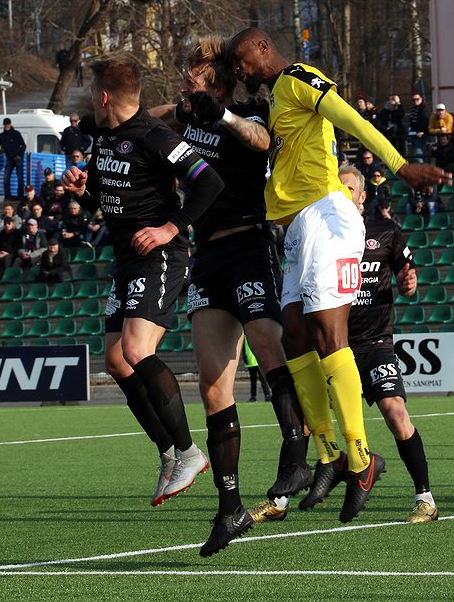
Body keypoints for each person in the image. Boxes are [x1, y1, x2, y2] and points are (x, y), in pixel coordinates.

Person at [228, 27, 446, 523]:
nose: (238, 70)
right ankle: (327, 452)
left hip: (327, 214)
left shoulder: (299, 76)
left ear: (262, 47)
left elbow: (348, 117)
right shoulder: (273, 102)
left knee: (329, 335)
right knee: (295, 336)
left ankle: (360, 458)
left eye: (240, 59)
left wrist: (397, 164)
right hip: (297, 228)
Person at [170, 35, 317, 555]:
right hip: (206, 257)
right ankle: (230, 507)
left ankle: (297, 452)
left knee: (267, 341)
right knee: (213, 387)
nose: (187, 78)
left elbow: (262, 142)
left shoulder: (250, 110)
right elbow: (148, 119)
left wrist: (222, 116)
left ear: (217, 78)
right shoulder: (183, 118)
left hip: (249, 245)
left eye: (195, 71)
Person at [62, 53, 225, 513]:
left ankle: (190, 452)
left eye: (92, 93)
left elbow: (209, 182)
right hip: (125, 258)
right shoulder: (106, 138)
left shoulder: (157, 136)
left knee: (137, 351)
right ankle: (170, 453)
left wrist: (171, 228)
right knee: (116, 361)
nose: (90, 100)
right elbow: (107, 196)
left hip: (160, 255)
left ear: (104, 95)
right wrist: (83, 190)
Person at [338, 166, 439, 523]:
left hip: (376, 342)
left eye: (348, 187)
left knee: (396, 414)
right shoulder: (324, 231)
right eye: (336, 186)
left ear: (362, 196)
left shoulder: (385, 232)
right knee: (306, 420)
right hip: (336, 346)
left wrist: (409, 283)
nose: (342, 192)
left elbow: (407, 279)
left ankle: (425, 498)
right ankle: (282, 501)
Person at [0, 117, 27, 200]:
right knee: (6, 178)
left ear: (10, 124)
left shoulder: (16, 133)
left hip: (18, 158)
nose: (7, 126)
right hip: (9, 159)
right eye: (5, 124)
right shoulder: (2, 136)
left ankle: (20, 196)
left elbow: (23, 145)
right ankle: (7, 196)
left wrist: (20, 155)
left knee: (20, 178)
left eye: (8, 124)